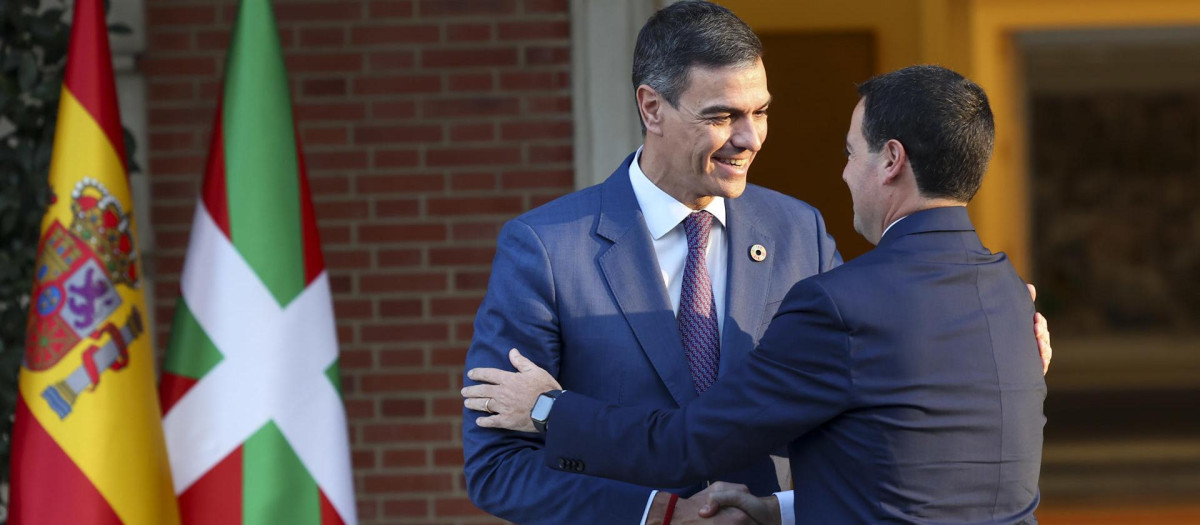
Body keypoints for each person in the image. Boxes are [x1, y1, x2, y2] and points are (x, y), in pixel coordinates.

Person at [463, 65, 1047, 524]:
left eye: (760, 112)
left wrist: (547, 408)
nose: (750, 138)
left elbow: (694, 441)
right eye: (722, 114)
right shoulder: (1009, 300)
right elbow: (896, 454)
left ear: (891, 159)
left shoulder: (814, 255)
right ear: (652, 107)